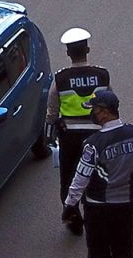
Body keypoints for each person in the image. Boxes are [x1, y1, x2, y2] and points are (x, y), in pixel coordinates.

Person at [62, 90, 133, 258]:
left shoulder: (93, 144)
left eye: (94, 109)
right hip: (125, 208)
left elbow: (81, 178)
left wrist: (69, 205)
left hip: (97, 210)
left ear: (103, 112)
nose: (91, 113)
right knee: (126, 255)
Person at [45, 27, 111, 235]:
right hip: (96, 136)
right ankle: (96, 211)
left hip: (70, 138)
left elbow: (52, 109)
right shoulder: (102, 75)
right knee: (98, 175)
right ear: (88, 49)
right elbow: (111, 103)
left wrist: (53, 126)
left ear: (67, 53)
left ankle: (74, 216)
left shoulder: (61, 78)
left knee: (69, 177)